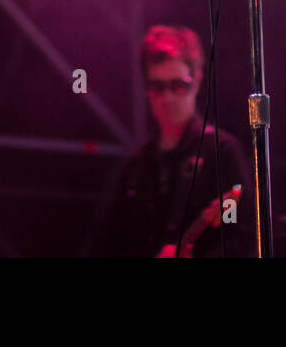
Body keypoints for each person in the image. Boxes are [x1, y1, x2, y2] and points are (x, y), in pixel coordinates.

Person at [94, 25, 253, 257]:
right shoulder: (133, 168)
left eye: (177, 86)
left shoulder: (221, 151)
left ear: (196, 82)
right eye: (156, 87)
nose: (166, 98)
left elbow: (243, 235)